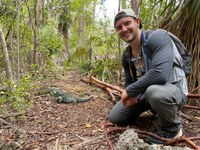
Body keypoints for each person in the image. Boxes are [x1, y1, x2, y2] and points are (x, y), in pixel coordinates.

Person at [108, 8, 188, 144]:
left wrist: (129, 91)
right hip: (148, 93)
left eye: (127, 23)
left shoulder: (157, 37)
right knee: (115, 117)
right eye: (119, 27)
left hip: (173, 91)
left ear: (137, 22)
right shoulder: (127, 55)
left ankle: (172, 129)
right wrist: (131, 97)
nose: (124, 29)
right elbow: (129, 82)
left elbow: (161, 74)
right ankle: (155, 111)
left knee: (155, 92)